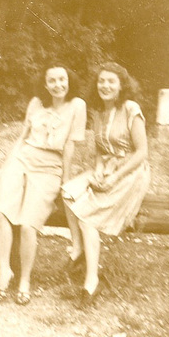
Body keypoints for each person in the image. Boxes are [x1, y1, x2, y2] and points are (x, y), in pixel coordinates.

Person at [0, 64, 86, 305]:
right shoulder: (36, 103)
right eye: (52, 80)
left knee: (30, 224)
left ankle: (25, 281)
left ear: (69, 80)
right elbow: (22, 138)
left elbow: (70, 146)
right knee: (2, 213)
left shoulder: (77, 106)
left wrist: (65, 178)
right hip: (22, 159)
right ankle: (4, 273)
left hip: (50, 166)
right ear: (45, 84)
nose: (58, 85)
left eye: (62, 79)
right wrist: (4, 167)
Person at [62, 62, 150, 309]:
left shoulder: (131, 109)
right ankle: (78, 249)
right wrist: (99, 170)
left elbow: (142, 152)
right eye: (102, 81)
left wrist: (115, 176)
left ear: (121, 85)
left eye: (111, 81)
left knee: (88, 217)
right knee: (68, 192)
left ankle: (92, 281)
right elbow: (100, 151)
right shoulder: (97, 112)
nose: (105, 86)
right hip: (107, 168)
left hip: (131, 171)